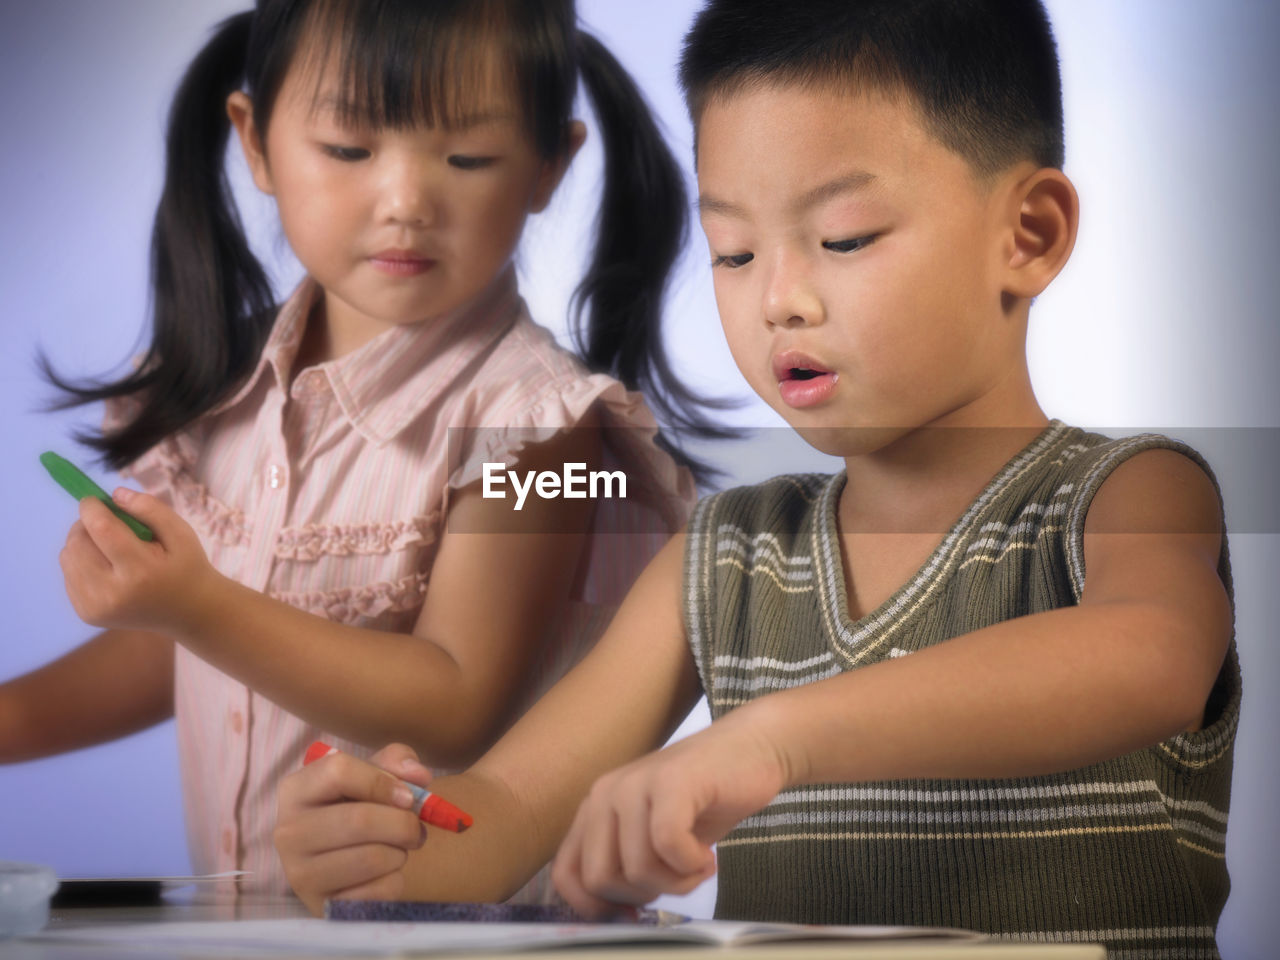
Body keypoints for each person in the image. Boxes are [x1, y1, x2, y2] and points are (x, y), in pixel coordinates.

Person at [272, 1, 1238, 955]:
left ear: (1028, 234)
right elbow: (502, 820)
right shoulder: (725, 559)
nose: (778, 299)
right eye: (732, 251)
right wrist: (382, 842)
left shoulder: (1124, 494)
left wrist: (771, 739)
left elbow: (1150, 658)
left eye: (845, 237)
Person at [0, 0, 718, 900]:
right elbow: (185, 641)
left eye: (468, 159)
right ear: (254, 142)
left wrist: (197, 606)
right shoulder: (222, 387)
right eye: (348, 150)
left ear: (548, 167)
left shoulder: (536, 427)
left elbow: (457, 702)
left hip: (456, 937)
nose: (407, 202)